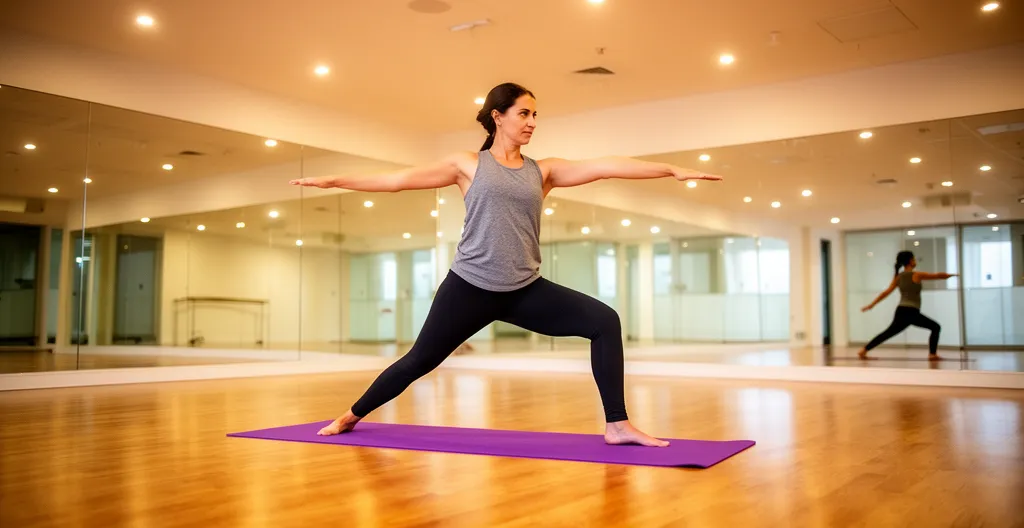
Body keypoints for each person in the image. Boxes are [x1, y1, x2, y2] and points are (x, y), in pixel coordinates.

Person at [290, 82, 721, 447]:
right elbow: (396, 181)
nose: (532, 122)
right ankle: (351, 415)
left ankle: (617, 424)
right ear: (498, 116)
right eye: (524, 113)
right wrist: (334, 180)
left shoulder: (543, 171)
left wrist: (670, 169)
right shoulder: (467, 164)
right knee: (419, 360)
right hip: (469, 286)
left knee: (604, 321)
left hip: (524, 289)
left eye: (535, 115)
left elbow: (606, 167)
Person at [858, 250, 956, 361]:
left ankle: (864, 350)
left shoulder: (898, 277)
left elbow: (886, 293)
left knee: (888, 333)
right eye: (914, 259)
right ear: (910, 261)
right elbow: (937, 276)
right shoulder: (917, 275)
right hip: (910, 312)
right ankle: (932, 354)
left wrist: (871, 305)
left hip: (902, 311)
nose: (915, 261)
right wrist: (952, 275)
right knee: (935, 327)